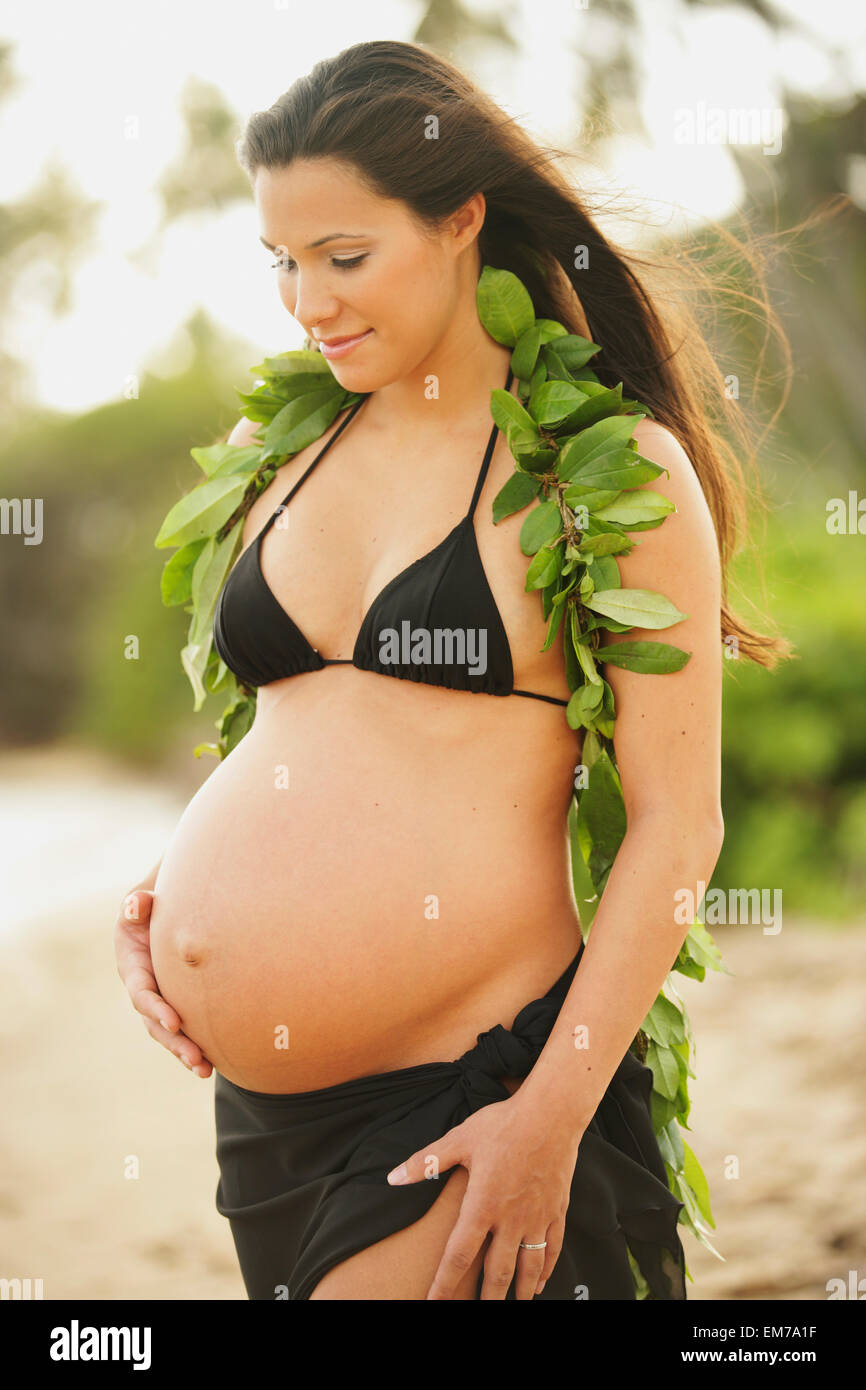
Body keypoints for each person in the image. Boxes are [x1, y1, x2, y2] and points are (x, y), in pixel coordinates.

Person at [113, 38, 752, 1301]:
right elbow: (312, 734)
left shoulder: (602, 473)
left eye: (345, 258)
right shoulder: (278, 442)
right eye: (282, 261)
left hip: (468, 1085)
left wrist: (548, 1119)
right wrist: (170, 895)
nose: (307, 300)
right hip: (264, 1122)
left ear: (460, 219)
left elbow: (678, 832)